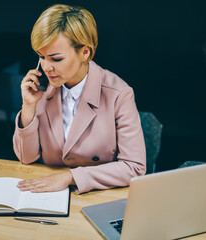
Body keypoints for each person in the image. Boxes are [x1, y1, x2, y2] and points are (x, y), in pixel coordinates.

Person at [13, 4, 146, 194]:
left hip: (97, 195)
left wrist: (71, 177)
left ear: (85, 52)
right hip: (46, 194)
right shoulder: (41, 88)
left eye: (56, 59)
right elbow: (27, 158)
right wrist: (28, 107)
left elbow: (134, 167)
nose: (46, 67)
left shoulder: (119, 94)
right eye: (41, 57)